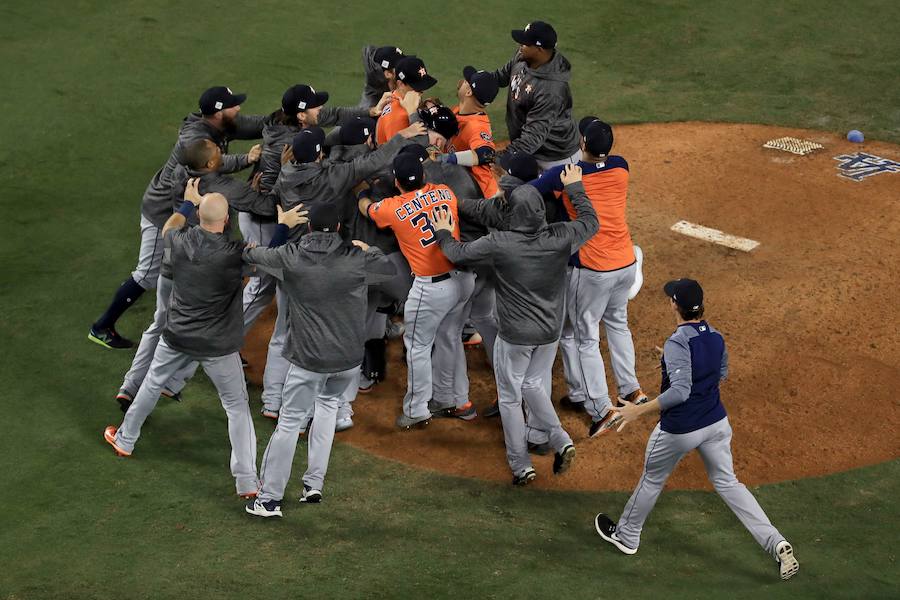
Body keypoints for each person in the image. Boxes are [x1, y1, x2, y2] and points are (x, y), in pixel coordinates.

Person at [103, 182, 307, 499]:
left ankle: (126, 439)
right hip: (217, 345)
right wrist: (282, 226)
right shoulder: (234, 254)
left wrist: (188, 203)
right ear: (226, 221)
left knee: (152, 383)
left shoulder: (179, 240)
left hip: (177, 336)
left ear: (199, 217)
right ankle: (247, 481)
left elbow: (169, 226)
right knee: (237, 407)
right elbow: (272, 259)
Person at [593, 279, 800, 582]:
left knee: (652, 478)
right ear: (700, 307)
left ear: (674, 305)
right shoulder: (715, 336)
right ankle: (776, 542)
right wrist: (683, 362)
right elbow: (722, 372)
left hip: (680, 429)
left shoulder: (678, 342)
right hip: (716, 424)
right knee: (729, 483)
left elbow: (679, 392)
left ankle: (626, 536)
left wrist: (638, 410)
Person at [431, 165, 598, 484]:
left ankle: (521, 464)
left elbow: (458, 253)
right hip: (549, 332)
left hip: (516, 336)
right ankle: (559, 439)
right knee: (533, 384)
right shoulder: (560, 236)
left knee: (510, 397)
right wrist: (575, 188)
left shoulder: (501, 243)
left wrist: (442, 230)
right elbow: (591, 221)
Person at [257, 120, 424, 420]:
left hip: (290, 260)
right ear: (320, 155)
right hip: (324, 265)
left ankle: (271, 400)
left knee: (284, 332)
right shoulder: (333, 177)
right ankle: (327, 407)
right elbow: (372, 161)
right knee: (322, 332)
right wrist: (401, 137)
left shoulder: (286, 173)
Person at [244, 203, 398, 517]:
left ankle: (269, 499)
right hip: (347, 361)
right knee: (328, 408)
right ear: (340, 229)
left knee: (288, 423)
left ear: (310, 228)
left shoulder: (292, 257)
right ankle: (313, 484)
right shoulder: (356, 260)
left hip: (308, 361)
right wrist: (368, 249)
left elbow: (253, 255)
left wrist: (284, 226)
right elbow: (387, 269)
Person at [89, 86, 264, 348]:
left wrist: (282, 119)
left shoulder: (217, 124)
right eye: (233, 105)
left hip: (185, 213)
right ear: (218, 112)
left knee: (176, 271)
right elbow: (208, 161)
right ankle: (102, 326)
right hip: (162, 214)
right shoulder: (194, 138)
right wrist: (245, 159)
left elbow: (253, 126)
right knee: (148, 274)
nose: (238, 108)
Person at [115, 138, 281, 408]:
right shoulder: (223, 187)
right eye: (218, 153)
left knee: (160, 322)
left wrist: (243, 162)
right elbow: (264, 206)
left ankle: (132, 385)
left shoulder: (181, 171)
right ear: (209, 163)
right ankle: (166, 383)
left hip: (173, 259)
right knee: (204, 324)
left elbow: (213, 167)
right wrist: (276, 175)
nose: (222, 153)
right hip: (203, 267)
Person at [242, 84, 391, 336]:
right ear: (301, 116)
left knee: (284, 278)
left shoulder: (299, 129)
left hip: (285, 213)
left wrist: (369, 111)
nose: (320, 109)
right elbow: (271, 198)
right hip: (265, 217)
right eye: (314, 106)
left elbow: (330, 115)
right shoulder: (285, 145)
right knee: (264, 284)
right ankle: (226, 337)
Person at [531, 120, 647, 437]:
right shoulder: (621, 167)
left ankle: (599, 409)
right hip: (624, 262)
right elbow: (598, 165)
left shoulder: (563, 176)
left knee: (585, 337)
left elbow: (529, 193)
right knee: (618, 324)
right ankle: (631, 390)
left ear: (581, 142)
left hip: (593, 269)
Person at [358, 153, 475, 428]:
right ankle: (452, 397)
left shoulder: (392, 208)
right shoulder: (445, 192)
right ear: (424, 176)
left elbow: (367, 208)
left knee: (418, 346)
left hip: (432, 288)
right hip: (465, 279)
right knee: (450, 336)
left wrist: (363, 192)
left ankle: (416, 408)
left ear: (397, 182)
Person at [491, 21, 580, 170]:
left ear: (539, 49)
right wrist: (476, 83)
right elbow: (500, 76)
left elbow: (532, 138)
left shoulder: (551, 90)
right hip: (529, 149)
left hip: (554, 160)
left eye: (525, 43)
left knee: (531, 192)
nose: (520, 45)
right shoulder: (523, 56)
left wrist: (502, 157)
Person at [435, 66, 501, 199]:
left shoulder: (476, 127)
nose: (461, 81)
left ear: (469, 92)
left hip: (481, 196)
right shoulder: (460, 111)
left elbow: (487, 154)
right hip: (461, 183)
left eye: (466, 81)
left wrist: (448, 158)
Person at [375, 55, 437, 145]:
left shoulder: (394, 96)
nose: (421, 92)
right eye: (417, 87)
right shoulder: (398, 117)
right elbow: (397, 156)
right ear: (400, 84)